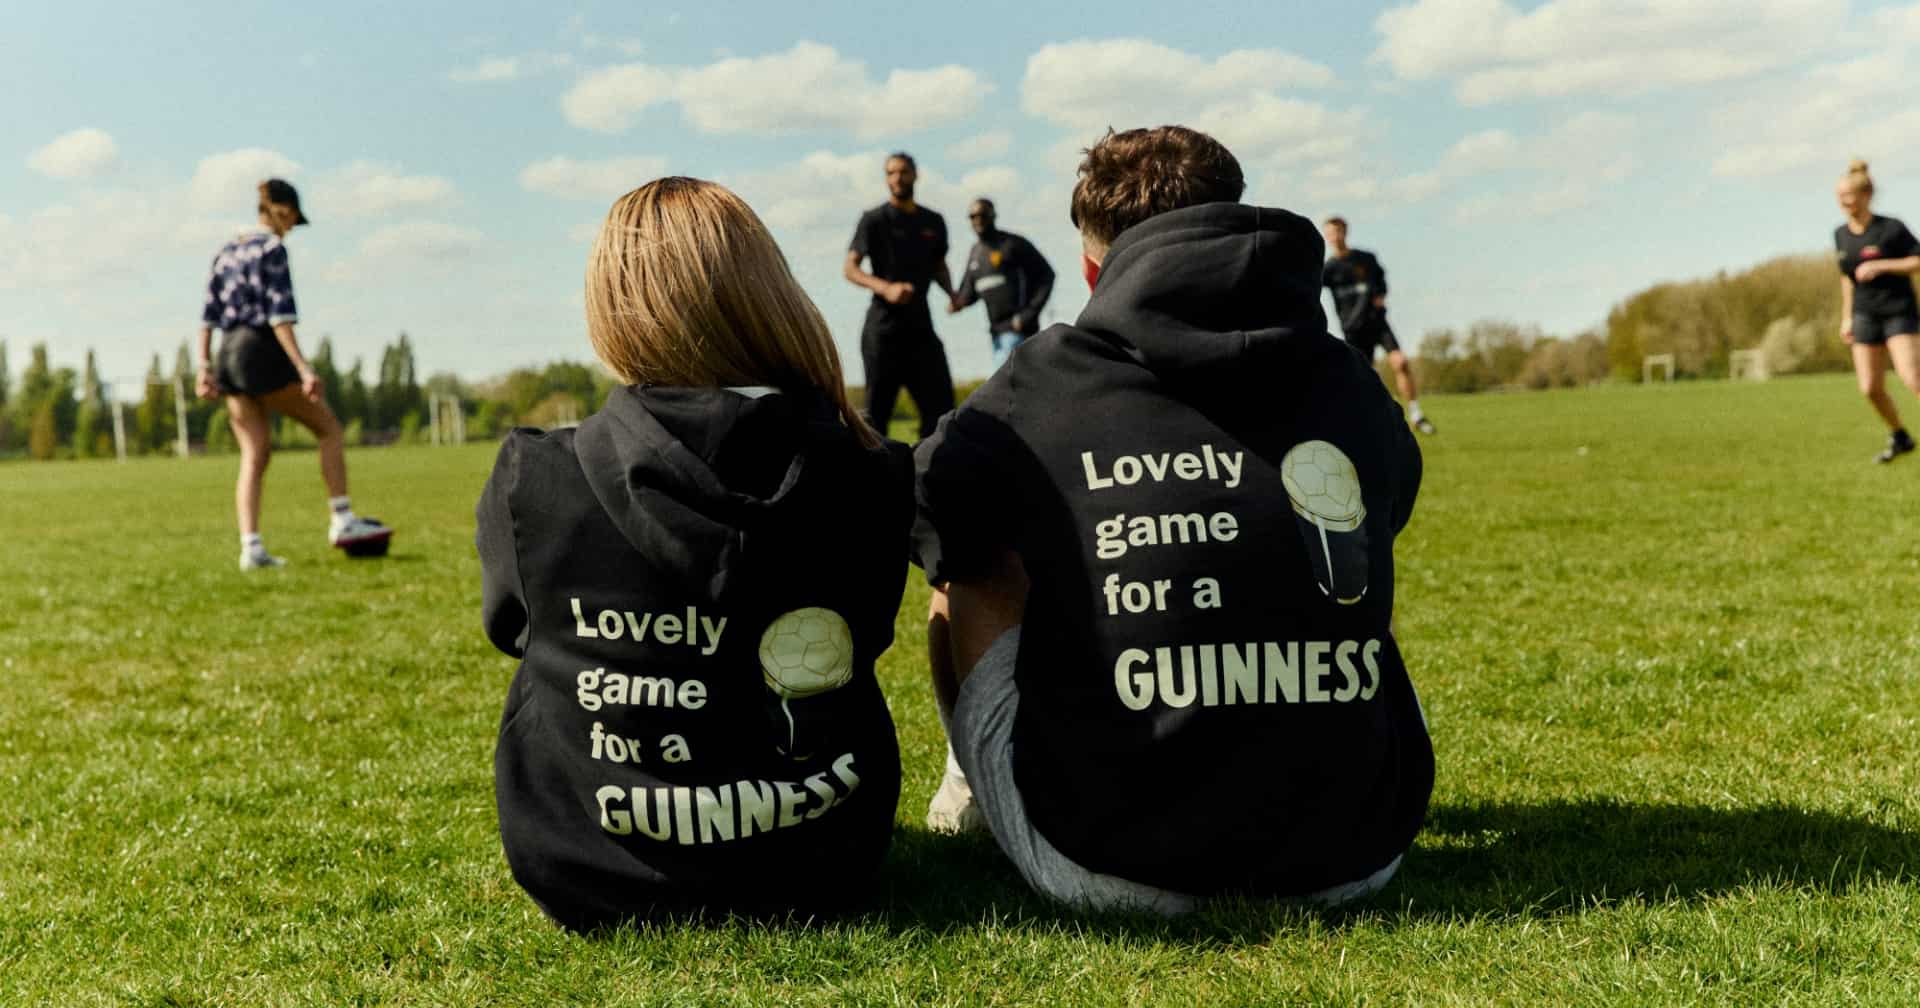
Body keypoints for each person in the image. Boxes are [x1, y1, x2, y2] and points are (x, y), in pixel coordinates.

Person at [913, 126, 1433, 913]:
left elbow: (930, 511)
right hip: (1356, 857)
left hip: (1108, 861)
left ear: (1095, 268)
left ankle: (976, 792)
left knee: (972, 561)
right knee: (1343, 567)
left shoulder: (1046, 378)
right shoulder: (1347, 380)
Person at [479, 177, 914, 932]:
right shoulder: (872, 473)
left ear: (614, 308)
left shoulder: (536, 476)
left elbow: (512, 628)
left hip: (587, 864)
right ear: (769, 295)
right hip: (825, 853)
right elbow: (867, 631)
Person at [195, 178, 389, 570]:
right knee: (328, 429)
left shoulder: (225, 252)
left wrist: (203, 366)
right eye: (293, 220)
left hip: (227, 353)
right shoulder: (271, 249)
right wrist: (303, 369)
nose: (291, 229)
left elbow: (207, 316)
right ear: (281, 210)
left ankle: (250, 548)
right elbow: (279, 315)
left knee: (254, 453)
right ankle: (342, 520)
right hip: (260, 349)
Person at [843, 152, 957, 439]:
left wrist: (953, 294)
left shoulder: (933, 221)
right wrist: (886, 288)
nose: (897, 178)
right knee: (876, 415)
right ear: (886, 178)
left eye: (903, 172)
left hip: (921, 329)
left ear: (915, 175)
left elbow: (938, 266)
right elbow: (850, 268)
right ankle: (878, 479)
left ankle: (927, 474)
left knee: (942, 410)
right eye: (891, 173)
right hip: (883, 332)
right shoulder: (874, 220)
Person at [1833, 158, 1920, 463]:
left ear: (1866, 195)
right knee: (1870, 387)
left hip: (1898, 312)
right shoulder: (1840, 235)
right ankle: (1900, 436)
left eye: (1848, 195)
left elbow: (1917, 261)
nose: (1843, 201)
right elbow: (1847, 278)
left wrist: (1882, 264)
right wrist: (1846, 317)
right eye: (1839, 195)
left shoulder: (1891, 229)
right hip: (1864, 314)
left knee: (1913, 378)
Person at [1321, 217, 1436, 435]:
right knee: (1367, 378)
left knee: (1401, 362)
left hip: (1377, 323)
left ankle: (1416, 414)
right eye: (1330, 233)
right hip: (1353, 330)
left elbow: (1381, 283)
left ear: (1345, 232)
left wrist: (1380, 296)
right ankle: (1381, 420)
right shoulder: (1328, 269)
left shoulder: (1366, 259)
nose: (1334, 237)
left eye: (1338, 231)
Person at [949, 198, 1056, 372]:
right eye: (973, 216)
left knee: (1007, 388)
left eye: (982, 215)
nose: (978, 220)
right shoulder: (976, 253)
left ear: (993, 215)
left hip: (1017, 332)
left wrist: (1028, 314)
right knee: (1013, 391)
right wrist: (956, 303)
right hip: (995, 335)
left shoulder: (1013, 244)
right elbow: (969, 292)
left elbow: (1047, 275)